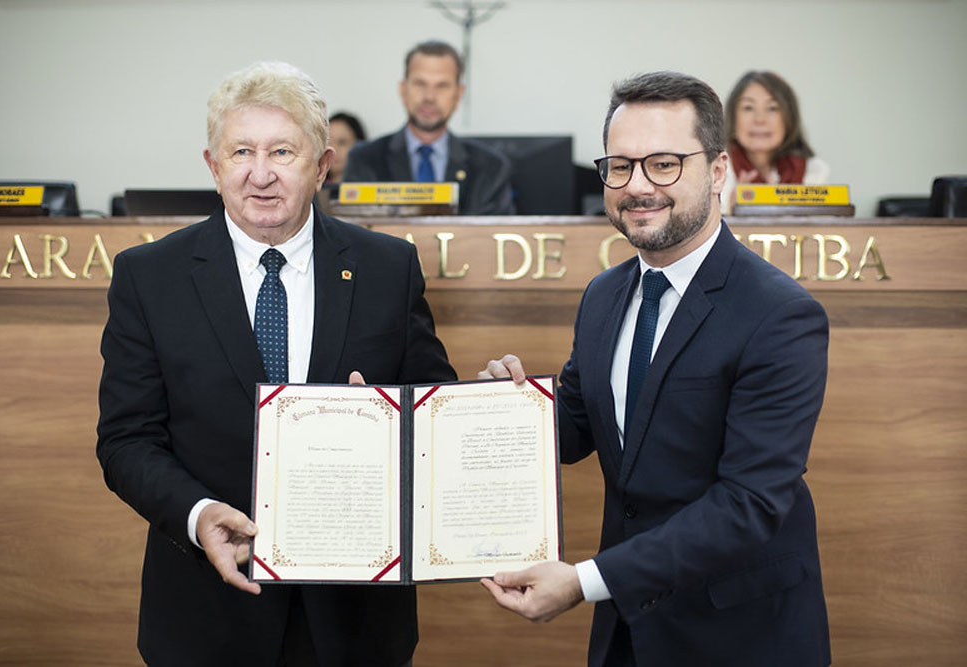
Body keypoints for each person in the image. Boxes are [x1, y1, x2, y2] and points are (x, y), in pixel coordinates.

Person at [96, 61, 455, 666]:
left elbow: (433, 412)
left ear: (321, 166)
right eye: (240, 151)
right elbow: (126, 439)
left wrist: (422, 415)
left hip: (355, 616)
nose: (260, 174)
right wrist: (199, 512)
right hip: (206, 611)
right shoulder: (149, 277)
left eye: (282, 152)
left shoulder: (387, 268)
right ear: (213, 167)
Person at [479, 71, 831, 667]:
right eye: (620, 165)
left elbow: (749, 503)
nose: (638, 185)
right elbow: (575, 427)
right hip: (629, 634)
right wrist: (505, 410)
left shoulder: (781, 314)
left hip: (738, 636)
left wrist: (586, 581)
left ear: (718, 172)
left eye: (664, 163)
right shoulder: (603, 296)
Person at [342, 40, 514, 215]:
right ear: (403, 89)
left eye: (442, 85)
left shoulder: (490, 167)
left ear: (459, 94)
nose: (429, 97)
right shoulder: (365, 160)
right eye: (420, 83)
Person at [721, 70, 829, 213]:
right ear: (733, 118)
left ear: (789, 118)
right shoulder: (716, 170)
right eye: (748, 108)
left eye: (772, 108)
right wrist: (731, 214)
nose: (760, 119)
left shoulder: (814, 172)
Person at [326, 111, 366, 183]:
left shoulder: (372, 188)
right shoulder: (312, 188)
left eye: (342, 142)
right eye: (327, 142)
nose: (333, 149)